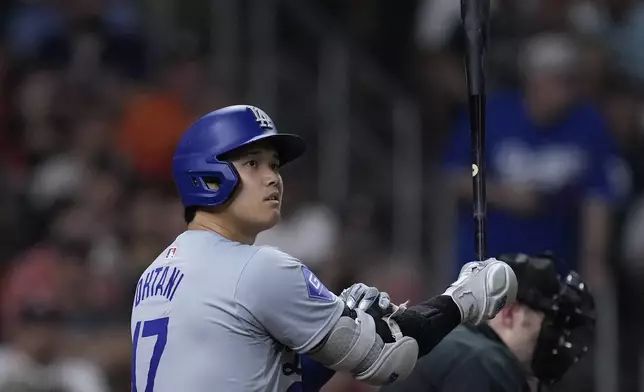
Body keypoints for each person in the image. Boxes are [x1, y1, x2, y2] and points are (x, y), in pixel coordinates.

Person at [129, 104, 518, 392]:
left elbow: (262, 377)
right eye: (253, 164)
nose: (273, 178)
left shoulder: (155, 274)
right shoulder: (256, 267)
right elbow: (388, 359)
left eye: (275, 165)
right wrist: (462, 300)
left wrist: (333, 330)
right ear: (208, 177)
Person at [442, 32, 628, 290]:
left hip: (554, 266)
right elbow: (456, 175)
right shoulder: (491, 115)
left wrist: (594, 260)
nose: (565, 89)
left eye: (570, 80)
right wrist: (503, 195)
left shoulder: (588, 124)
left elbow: (597, 197)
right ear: (532, 79)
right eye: (556, 79)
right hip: (488, 264)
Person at [378, 252, 595, 392]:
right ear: (509, 314)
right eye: (550, 327)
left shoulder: (453, 345)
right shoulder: (486, 363)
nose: (556, 342)